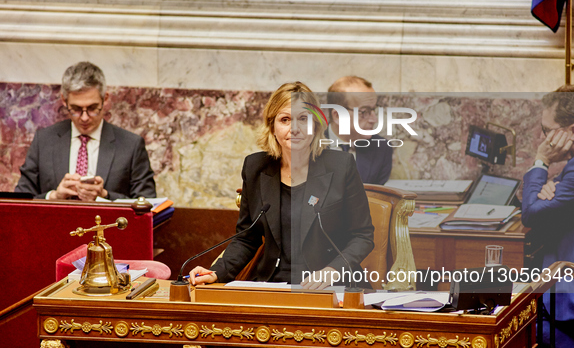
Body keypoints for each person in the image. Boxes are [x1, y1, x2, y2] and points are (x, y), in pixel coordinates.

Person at [189, 81, 374, 290]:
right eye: (285, 120)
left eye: (303, 119)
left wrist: (333, 270)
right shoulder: (256, 167)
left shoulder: (341, 166)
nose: (294, 129)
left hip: (329, 285)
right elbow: (247, 239)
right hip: (271, 284)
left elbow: (362, 236)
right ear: (272, 126)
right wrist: (217, 273)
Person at [521, 84, 574, 348]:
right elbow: (537, 203)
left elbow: (531, 214)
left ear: (573, 130)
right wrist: (547, 188)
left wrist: (541, 163)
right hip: (568, 258)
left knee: (521, 321)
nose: (542, 139)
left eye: (546, 130)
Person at [15, 61, 156, 200]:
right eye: (76, 109)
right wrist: (53, 196)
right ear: (64, 101)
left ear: (104, 99)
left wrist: (104, 196)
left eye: (92, 108)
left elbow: (147, 204)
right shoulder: (44, 141)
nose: (84, 118)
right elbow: (19, 201)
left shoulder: (131, 145)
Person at [326, 76, 392, 185]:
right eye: (364, 112)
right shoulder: (307, 148)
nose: (374, 120)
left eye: (373, 110)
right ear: (338, 116)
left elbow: (377, 198)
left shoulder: (382, 150)